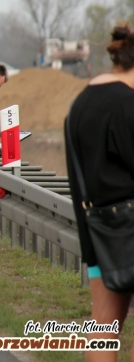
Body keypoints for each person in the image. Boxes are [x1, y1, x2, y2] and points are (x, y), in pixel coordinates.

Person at [65, 24, 134, 360]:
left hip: (98, 233)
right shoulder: (127, 104)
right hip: (129, 225)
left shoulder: (81, 103)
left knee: (104, 327)